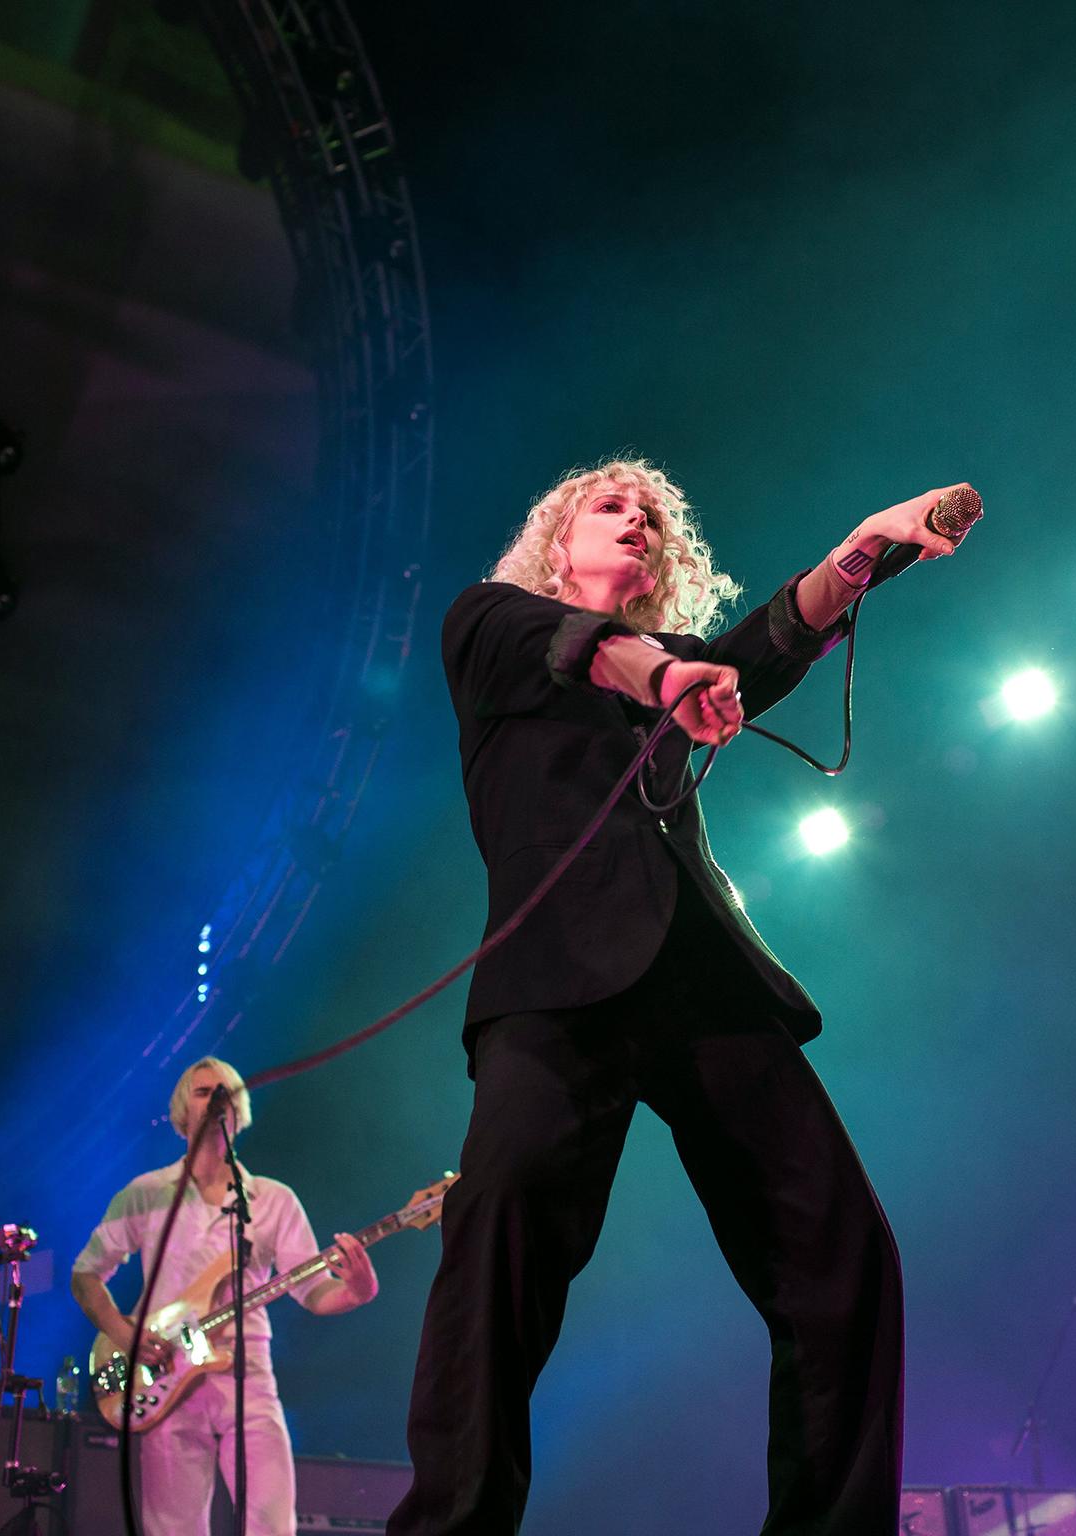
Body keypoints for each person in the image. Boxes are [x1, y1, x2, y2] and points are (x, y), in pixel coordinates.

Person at [387, 458, 975, 1536]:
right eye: (611, 508)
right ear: (554, 538)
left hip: (702, 979)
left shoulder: (677, 659)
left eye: (652, 515)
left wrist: (862, 545)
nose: (638, 523)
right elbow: (581, 653)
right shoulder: (488, 622)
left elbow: (764, 643)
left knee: (840, 1254)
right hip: (555, 984)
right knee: (501, 1233)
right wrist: (662, 681)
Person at [72, 1057, 380, 1536]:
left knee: (271, 1524)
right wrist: (122, 1334)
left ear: (240, 1110)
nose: (216, 1098)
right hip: (165, 1370)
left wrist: (356, 1292)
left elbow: (311, 1291)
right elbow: (86, 1274)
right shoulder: (147, 1193)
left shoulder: (273, 1200)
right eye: (202, 1091)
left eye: (227, 1091)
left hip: (247, 1371)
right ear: (181, 1113)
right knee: (172, 1528)